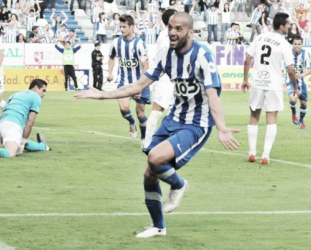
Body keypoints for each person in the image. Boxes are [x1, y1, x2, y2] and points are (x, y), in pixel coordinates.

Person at [74, 12, 240, 238]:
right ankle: (158, 226)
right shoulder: (164, 55)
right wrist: (102, 95)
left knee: (154, 158)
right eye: (170, 27)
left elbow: (212, 95)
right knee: (149, 173)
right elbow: (138, 85)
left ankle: (179, 185)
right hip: (174, 118)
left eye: (179, 29)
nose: (172, 32)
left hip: (196, 124)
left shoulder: (202, 55)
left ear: (190, 33)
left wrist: (221, 127)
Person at [241, 12, 299, 165]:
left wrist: (245, 79)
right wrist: (295, 88)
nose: (289, 26)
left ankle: (252, 152)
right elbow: (291, 70)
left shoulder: (259, 37)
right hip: (273, 84)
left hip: (258, 82)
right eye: (287, 24)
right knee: (271, 119)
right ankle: (265, 155)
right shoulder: (284, 44)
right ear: (281, 26)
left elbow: (248, 59)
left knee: (254, 116)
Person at [106, 14, 150, 145]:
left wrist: (140, 86)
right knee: (124, 108)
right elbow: (111, 58)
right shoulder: (116, 42)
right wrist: (110, 72)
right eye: (120, 26)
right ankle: (131, 122)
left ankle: (144, 139)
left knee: (141, 113)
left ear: (132, 27)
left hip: (139, 82)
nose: (122, 29)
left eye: (124, 27)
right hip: (124, 82)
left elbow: (146, 66)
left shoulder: (139, 44)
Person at [143, 8, 176, 149]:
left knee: (175, 111)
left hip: (171, 79)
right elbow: (166, 58)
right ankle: (147, 142)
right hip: (164, 78)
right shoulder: (165, 36)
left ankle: (169, 141)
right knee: (157, 110)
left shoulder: (168, 35)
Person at [285, 36, 311, 130]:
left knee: (304, 103)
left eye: (299, 44)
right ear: (292, 44)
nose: (297, 46)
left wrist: (301, 75)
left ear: (302, 44)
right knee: (293, 99)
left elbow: (310, 70)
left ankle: (301, 120)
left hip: (301, 82)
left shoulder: (306, 54)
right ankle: (293, 114)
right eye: (295, 44)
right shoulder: (287, 53)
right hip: (290, 81)